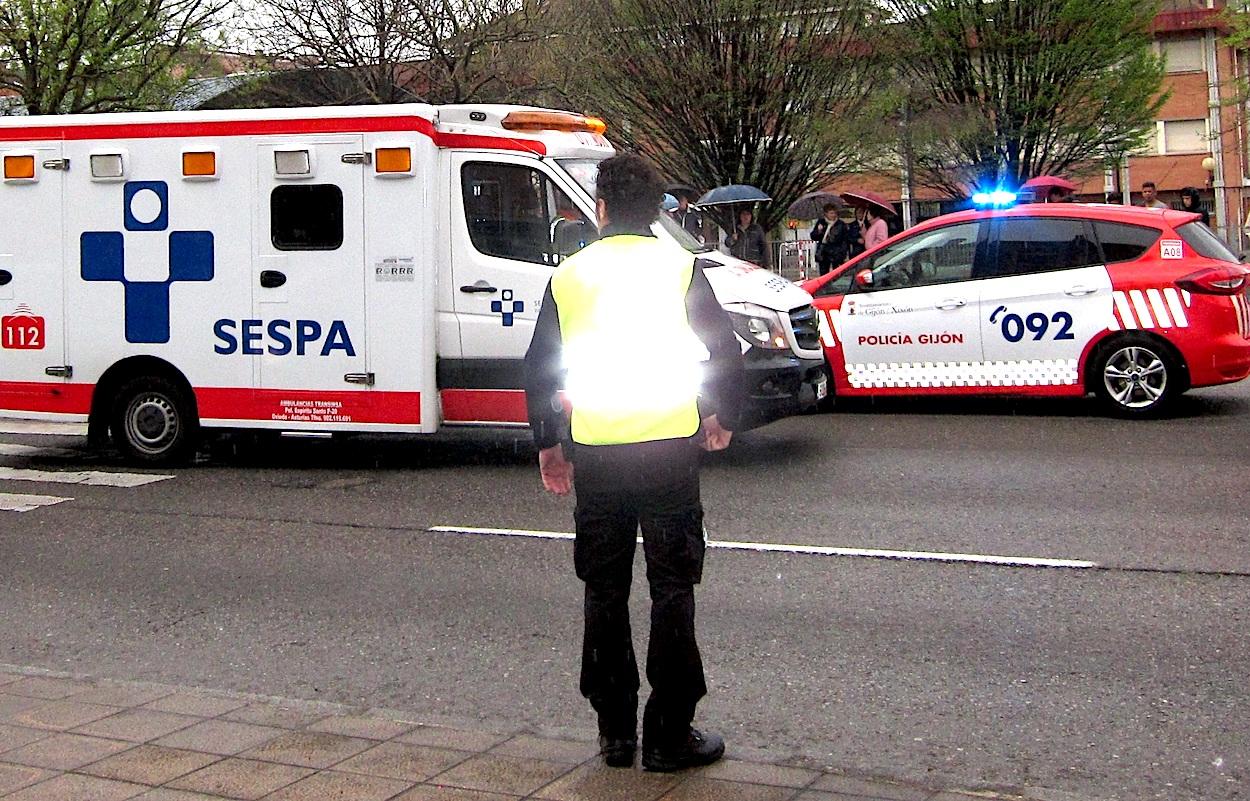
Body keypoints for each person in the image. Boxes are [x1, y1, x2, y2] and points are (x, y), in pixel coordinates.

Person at [524, 153, 745, 773]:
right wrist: (721, 415)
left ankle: (615, 731)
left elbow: (541, 364)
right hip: (670, 448)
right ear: (656, 211)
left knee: (604, 585)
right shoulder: (680, 269)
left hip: (597, 449)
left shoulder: (570, 275)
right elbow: (723, 349)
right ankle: (671, 733)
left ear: (598, 209)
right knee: (673, 585)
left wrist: (549, 441)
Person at [810, 203, 849, 275]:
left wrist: (843, 253)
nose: (833, 215)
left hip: (836, 251)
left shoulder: (840, 224)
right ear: (826, 214)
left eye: (834, 213)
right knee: (824, 273)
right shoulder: (821, 222)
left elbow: (844, 239)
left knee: (837, 273)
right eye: (831, 213)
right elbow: (813, 237)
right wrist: (818, 231)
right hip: (823, 251)